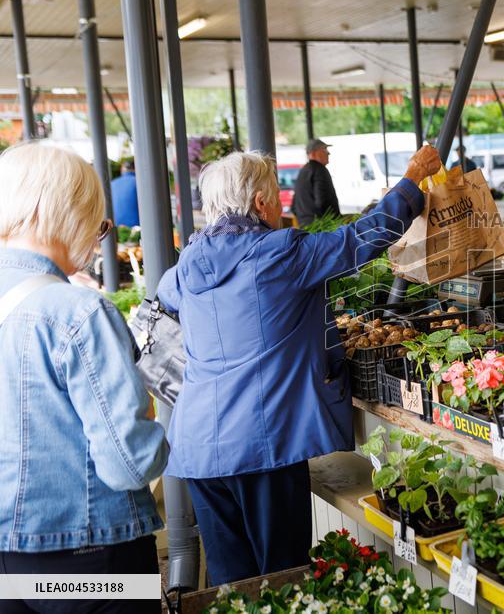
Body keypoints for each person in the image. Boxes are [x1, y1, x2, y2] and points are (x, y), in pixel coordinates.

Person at [156, 145, 441, 586]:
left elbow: (166, 297)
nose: (280, 209)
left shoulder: (187, 263)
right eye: (276, 198)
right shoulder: (280, 255)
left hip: (199, 449)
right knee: (283, 578)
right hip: (261, 445)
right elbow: (360, 240)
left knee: (231, 585)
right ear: (260, 203)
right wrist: (412, 178)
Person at [0, 143, 168, 614]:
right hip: (93, 562)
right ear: (65, 212)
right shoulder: (79, 311)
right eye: (97, 223)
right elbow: (129, 464)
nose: (97, 239)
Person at [292, 139, 340, 226]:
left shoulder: (303, 171)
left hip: (305, 226)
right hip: (322, 227)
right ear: (313, 153)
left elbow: (294, 206)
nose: (328, 153)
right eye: (324, 149)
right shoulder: (320, 170)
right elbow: (322, 201)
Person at [111, 158, 140, 227]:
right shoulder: (139, 182)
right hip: (137, 228)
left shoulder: (111, 184)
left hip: (115, 228)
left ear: (122, 170)